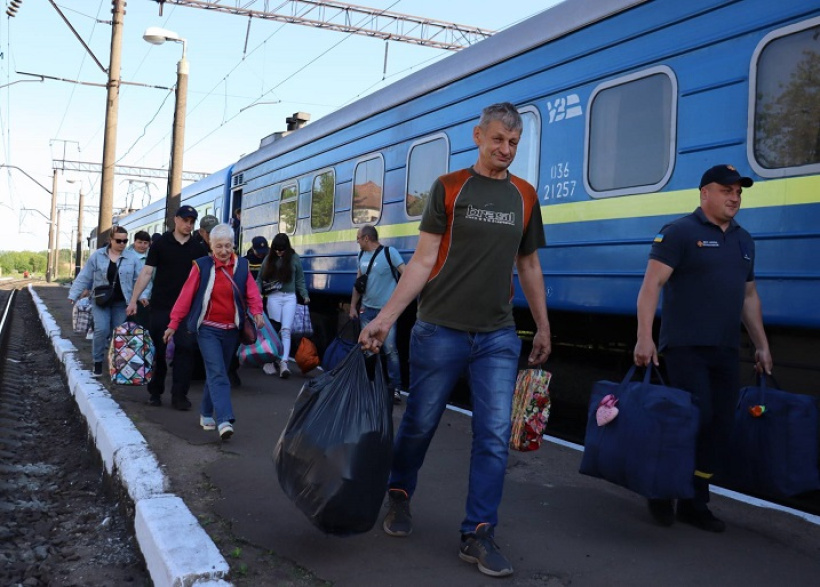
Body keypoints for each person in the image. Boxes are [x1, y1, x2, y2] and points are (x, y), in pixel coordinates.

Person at [359, 102, 551, 578]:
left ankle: (478, 532)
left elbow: (528, 264)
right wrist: (385, 318)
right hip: (439, 329)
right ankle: (399, 493)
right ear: (478, 136)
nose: (505, 149)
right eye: (498, 140)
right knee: (420, 422)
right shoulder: (449, 188)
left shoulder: (525, 196)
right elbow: (423, 260)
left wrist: (543, 325)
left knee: (493, 436)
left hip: (498, 336)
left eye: (513, 143)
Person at [634, 163, 773, 533]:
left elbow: (748, 297)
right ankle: (662, 491)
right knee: (694, 419)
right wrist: (645, 336)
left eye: (738, 192)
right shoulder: (679, 232)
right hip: (685, 346)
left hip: (725, 348)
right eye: (727, 190)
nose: (734, 198)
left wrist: (762, 345)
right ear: (705, 193)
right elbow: (651, 286)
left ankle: (694, 502)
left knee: (720, 426)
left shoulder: (744, 240)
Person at [163, 224, 264, 440]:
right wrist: (173, 324)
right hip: (208, 329)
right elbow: (185, 296)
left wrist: (257, 312)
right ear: (211, 246)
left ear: (233, 245)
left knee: (217, 372)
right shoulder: (201, 266)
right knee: (218, 372)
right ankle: (224, 420)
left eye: (228, 245)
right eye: (219, 246)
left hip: (231, 331)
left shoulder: (242, 266)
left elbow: (252, 292)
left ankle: (206, 412)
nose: (224, 250)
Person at [126, 205, 208, 410]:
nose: (188, 225)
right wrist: (134, 300)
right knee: (159, 350)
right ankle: (155, 391)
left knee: (185, 349)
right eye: (185, 220)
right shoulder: (161, 244)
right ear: (176, 219)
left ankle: (179, 395)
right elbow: (146, 272)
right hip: (161, 306)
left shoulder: (198, 249)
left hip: (187, 310)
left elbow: (204, 279)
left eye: (192, 222)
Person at [69, 226, 146, 377]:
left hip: (121, 302)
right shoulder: (98, 256)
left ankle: (116, 363)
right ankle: (97, 362)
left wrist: (142, 296)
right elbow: (85, 275)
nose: (122, 244)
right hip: (101, 301)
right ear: (111, 240)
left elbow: (140, 279)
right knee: (101, 329)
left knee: (117, 333)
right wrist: (74, 294)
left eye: (125, 241)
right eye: (118, 240)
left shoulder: (132, 258)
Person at [349, 224, 405, 404]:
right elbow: (358, 284)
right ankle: (370, 384)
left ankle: (395, 387)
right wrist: (353, 306)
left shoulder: (390, 253)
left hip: (386, 312)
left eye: (358, 238)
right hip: (366, 310)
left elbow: (406, 275)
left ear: (366, 238)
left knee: (390, 350)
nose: (357, 241)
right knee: (367, 348)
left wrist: (397, 303)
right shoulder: (361, 256)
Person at [256, 233, 310, 378]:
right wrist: (258, 293)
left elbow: (300, 279)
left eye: (282, 250)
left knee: (286, 330)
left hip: (290, 297)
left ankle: (284, 363)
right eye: (276, 249)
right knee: (274, 330)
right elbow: (259, 279)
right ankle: (272, 359)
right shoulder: (269, 258)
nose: (279, 252)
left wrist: (304, 294)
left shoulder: (294, 258)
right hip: (274, 297)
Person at [127, 230, 153, 327]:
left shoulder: (152, 256)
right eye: (139, 242)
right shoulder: (126, 256)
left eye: (145, 243)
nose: (142, 245)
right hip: (129, 296)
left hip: (147, 297)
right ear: (134, 242)